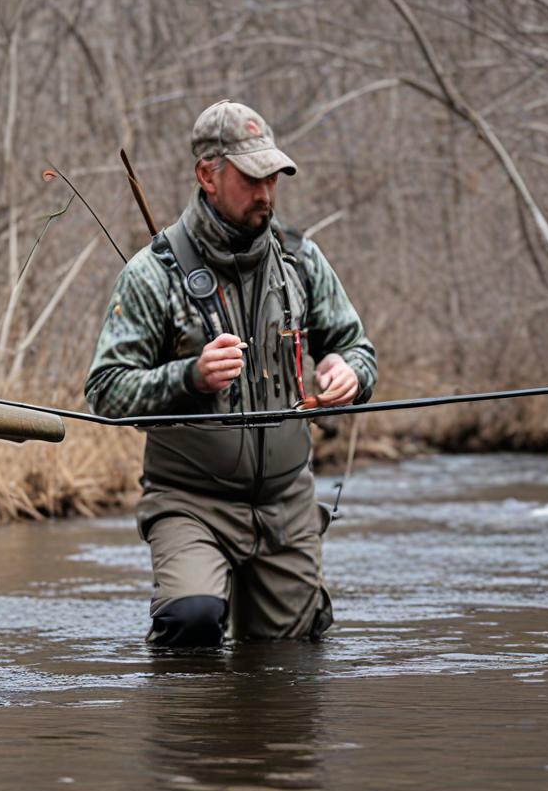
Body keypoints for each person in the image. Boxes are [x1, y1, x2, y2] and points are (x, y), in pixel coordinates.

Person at [85, 100, 377, 647]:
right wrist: (189, 377)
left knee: (289, 661)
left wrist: (349, 372)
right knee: (190, 623)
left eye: (273, 177)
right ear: (208, 175)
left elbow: (354, 347)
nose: (266, 193)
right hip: (189, 500)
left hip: (287, 503)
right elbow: (106, 391)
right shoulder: (152, 274)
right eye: (252, 178)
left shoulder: (301, 261)